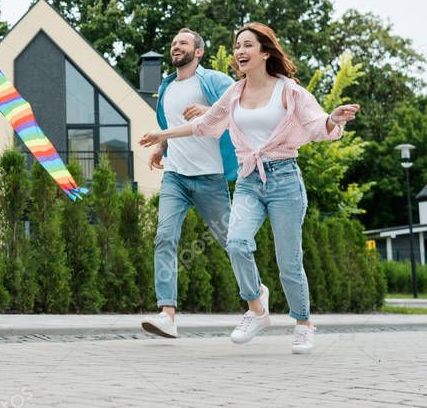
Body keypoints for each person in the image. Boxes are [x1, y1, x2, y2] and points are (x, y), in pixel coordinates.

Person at [140, 22, 359, 354]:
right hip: (248, 180)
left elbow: (316, 125)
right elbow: (205, 125)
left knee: (289, 260)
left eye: (247, 46)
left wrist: (333, 119)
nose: (239, 52)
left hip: (284, 178)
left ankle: (303, 323)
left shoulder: (289, 90)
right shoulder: (235, 93)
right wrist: (163, 137)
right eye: (237, 46)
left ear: (265, 52)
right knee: (237, 242)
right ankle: (257, 309)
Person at [140, 28, 237, 340]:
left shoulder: (215, 81)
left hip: (211, 177)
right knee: (164, 237)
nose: (175, 47)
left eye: (182, 42)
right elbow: (174, 129)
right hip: (176, 177)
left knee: (232, 242)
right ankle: (167, 314)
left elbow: (242, 106)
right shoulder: (166, 88)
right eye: (173, 43)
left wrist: (210, 111)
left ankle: (256, 291)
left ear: (198, 52)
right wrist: (162, 147)